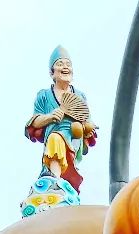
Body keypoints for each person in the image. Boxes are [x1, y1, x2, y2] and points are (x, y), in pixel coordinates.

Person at [25, 46, 97, 193]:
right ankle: (54, 178)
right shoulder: (44, 95)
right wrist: (50, 117)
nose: (65, 67)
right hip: (54, 133)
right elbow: (34, 121)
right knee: (55, 138)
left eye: (68, 64)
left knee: (61, 144)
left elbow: (87, 119)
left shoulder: (79, 95)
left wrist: (88, 128)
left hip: (74, 136)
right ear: (52, 73)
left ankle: (59, 182)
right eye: (60, 64)